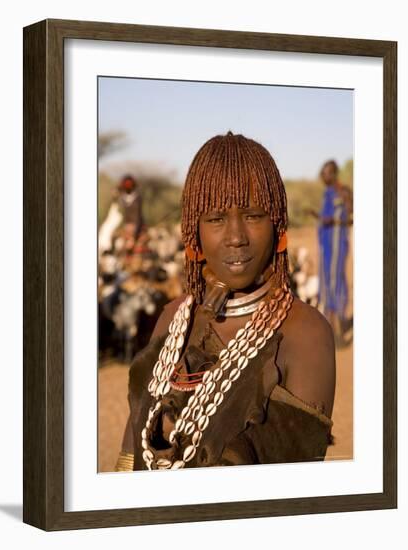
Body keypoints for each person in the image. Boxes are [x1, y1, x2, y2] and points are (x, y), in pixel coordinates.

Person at [115, 132, 335, 472]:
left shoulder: (305, 334)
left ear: (277, 225)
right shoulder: (173, 320)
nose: (236, 237)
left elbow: (293, 494)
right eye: (216, 219)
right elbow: (130, 456)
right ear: (194, 233)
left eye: (253, 216)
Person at [310, 160, 353, 345]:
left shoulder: (342, 192)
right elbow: (327, 217)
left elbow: (350, 217)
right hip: (326, 244)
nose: (322, 175)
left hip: (336, 244)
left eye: (325, 172)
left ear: (333, 173)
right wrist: (318, 217)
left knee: (334, 283)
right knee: (327, 282)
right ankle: (336, 325)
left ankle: (336, 332)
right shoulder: (327, 193)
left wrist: (333, 221)